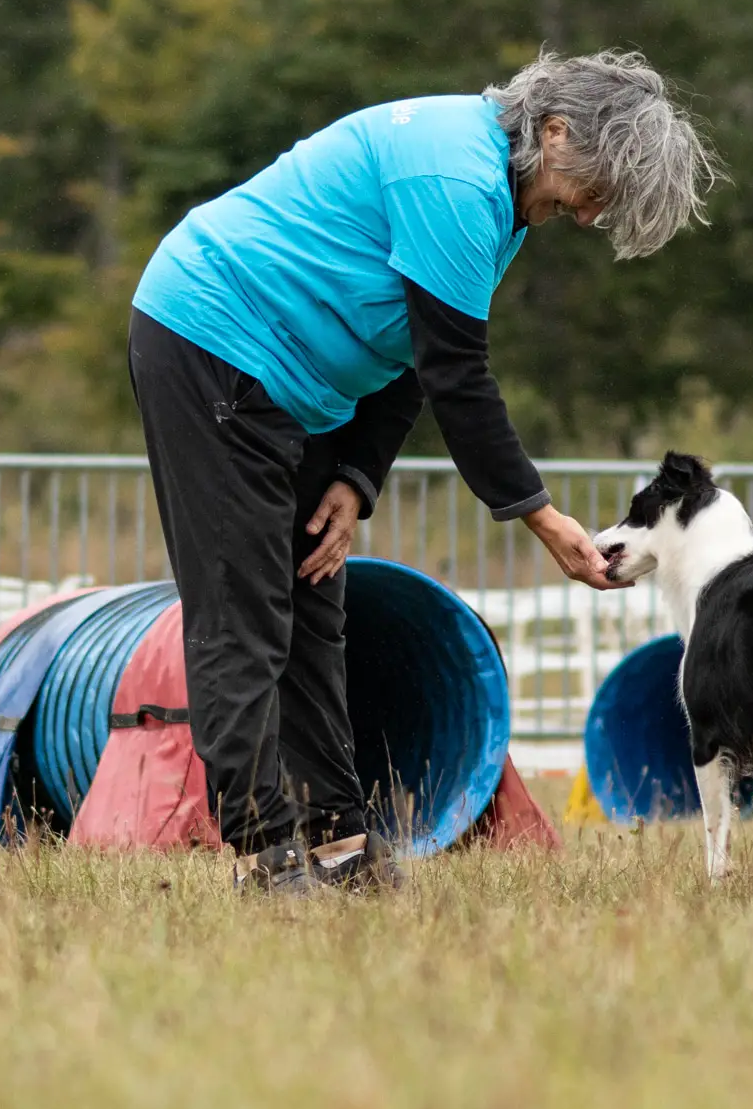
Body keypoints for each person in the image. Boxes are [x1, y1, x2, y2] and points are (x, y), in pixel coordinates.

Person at [128, 48, 721, 894]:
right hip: (209, 338)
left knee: (313, 603)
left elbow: (411, 350)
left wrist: (357, 478)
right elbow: (457, 375)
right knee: (247, 613)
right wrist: (542, 517)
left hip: (295, 385)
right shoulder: (454, 179)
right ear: (555, 132)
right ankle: (265, 852)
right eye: (597, 189)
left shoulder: (502, 197)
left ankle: (337, 839)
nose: (591, 217)